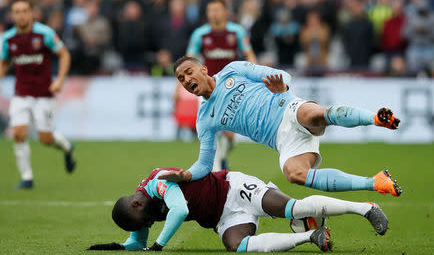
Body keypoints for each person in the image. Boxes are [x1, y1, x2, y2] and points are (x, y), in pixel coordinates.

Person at [159, 56, 402, 197]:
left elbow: (282, 75)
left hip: (288, 109)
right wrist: (186, 175)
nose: (187, 80)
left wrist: (282, 87)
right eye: (181, 79)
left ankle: (376, 118)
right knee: (294, 175)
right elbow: (204, 163)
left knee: (313, 115)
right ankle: (375, 182)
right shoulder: (204, 119)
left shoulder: (234, 70)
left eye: (189, 72)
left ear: (203, 69)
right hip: (282, 141)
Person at [88, 167, 389, 252]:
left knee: (291, 209)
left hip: (234, 188)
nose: (152, 221)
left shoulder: (158, 183)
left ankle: (365, 208)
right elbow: (138, 240)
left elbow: (178, 210)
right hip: (225, 217)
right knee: (237, 246)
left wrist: (158, 246)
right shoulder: (141, 207)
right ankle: (311, 236)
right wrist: (119, 247)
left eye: (148, 219)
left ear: (138, 203)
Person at [0, 0, 76, 189]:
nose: (21, 15)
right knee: (19, 134)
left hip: (43, 95)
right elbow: (4, 60)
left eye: (24, 11)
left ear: (31, 13)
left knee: (45, 139)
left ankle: (68, 148)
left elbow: (64, 54)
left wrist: (60, 80)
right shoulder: (9, 38)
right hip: (21, 94)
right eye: (17, 11)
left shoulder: (44, 34)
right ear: (12, 15)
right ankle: (27, 178)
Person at [185, 0, 257, 171]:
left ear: (226, 12)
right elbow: (187, 62)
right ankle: (217, 170)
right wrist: (178, 89)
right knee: (210, 131)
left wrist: (256, 75)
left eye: (217, 10)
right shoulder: (200, 34)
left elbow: (249, 55)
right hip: (206, 88)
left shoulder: (236, 32)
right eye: (210, 10)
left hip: (231, 87)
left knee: (231, 136)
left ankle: (223, 155)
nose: (214, 14)